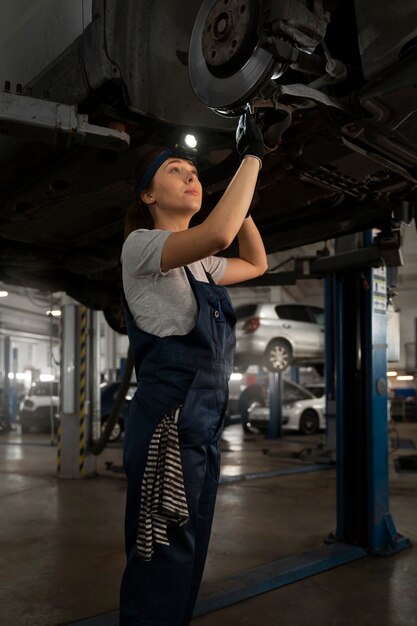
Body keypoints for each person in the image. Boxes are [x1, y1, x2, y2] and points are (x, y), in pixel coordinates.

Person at [119, 112, 268, 626]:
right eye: (176, 170)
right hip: (169, 415)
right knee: (161, 547)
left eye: (194, 173)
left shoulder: (201, 264)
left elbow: (256, 263)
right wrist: (252, 156)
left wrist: (239, 198)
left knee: (190, 544)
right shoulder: (141, 247)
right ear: (148, 196)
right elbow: (218, 232)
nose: (191, 177)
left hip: (202, 420)